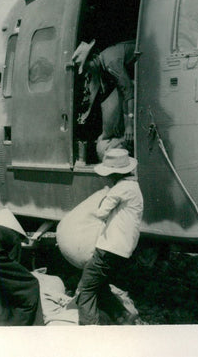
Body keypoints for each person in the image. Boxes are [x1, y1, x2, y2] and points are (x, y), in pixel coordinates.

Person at [75, 149, 144, 325]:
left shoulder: (119, 189)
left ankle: (90, 329)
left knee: (86, 289)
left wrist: (104, 195)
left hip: (109, 248)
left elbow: (100, 213)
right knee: (100, 284)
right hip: (124, 249)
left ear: (113, 173)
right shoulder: (134, 187)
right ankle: (122, 315)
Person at [72, 39, 136, 159]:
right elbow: (121, 91)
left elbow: (128, 90)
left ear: (93, 58)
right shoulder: (104, 62)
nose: (88, 72)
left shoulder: (110, 63)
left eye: (87, 67)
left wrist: (129, 125)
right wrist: (119, 119)